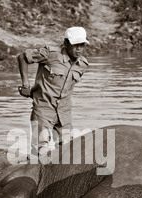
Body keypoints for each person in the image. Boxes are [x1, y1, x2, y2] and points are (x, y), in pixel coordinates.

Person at [17, 26, 89, 159]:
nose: (79, 49)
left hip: (64, 114)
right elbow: (22, 57)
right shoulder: (50, 54)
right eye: (75, 45)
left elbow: (65, 88)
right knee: (41, 152)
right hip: (43, 111)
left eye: (82, 45)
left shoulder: (82, 65)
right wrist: (26, 84)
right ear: (66, 43)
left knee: (68, 154)